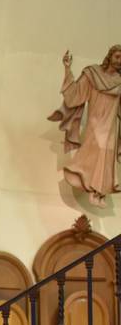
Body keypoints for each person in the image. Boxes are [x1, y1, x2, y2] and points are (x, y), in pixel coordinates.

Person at [48, 46, 121, 207]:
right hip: (96, 122)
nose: (119, 61)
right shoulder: (93, 73)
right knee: (99, 149)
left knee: (107, 154)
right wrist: (67, 69)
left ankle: (99, 192)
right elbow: (76, 94)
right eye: (117, 56)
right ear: (110, 56)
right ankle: (77, 173)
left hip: (111, 125)